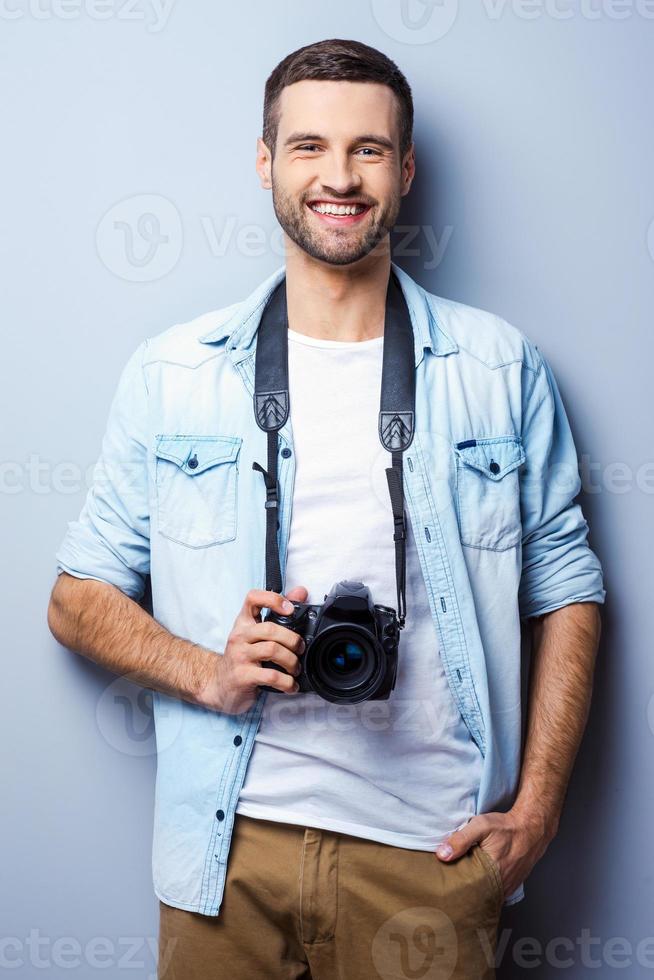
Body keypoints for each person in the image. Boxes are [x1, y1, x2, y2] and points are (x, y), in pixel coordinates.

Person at [47, 37, 605, 980]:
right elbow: (73, 598)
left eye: (368, 150)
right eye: (307, 147)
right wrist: (205, 670)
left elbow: (570, 590)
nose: (337, 177)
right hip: (229, 853)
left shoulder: (499, 370)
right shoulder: (176, 375)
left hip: (431, 860)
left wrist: (540, 807)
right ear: (265, 161)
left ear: (406, 169)